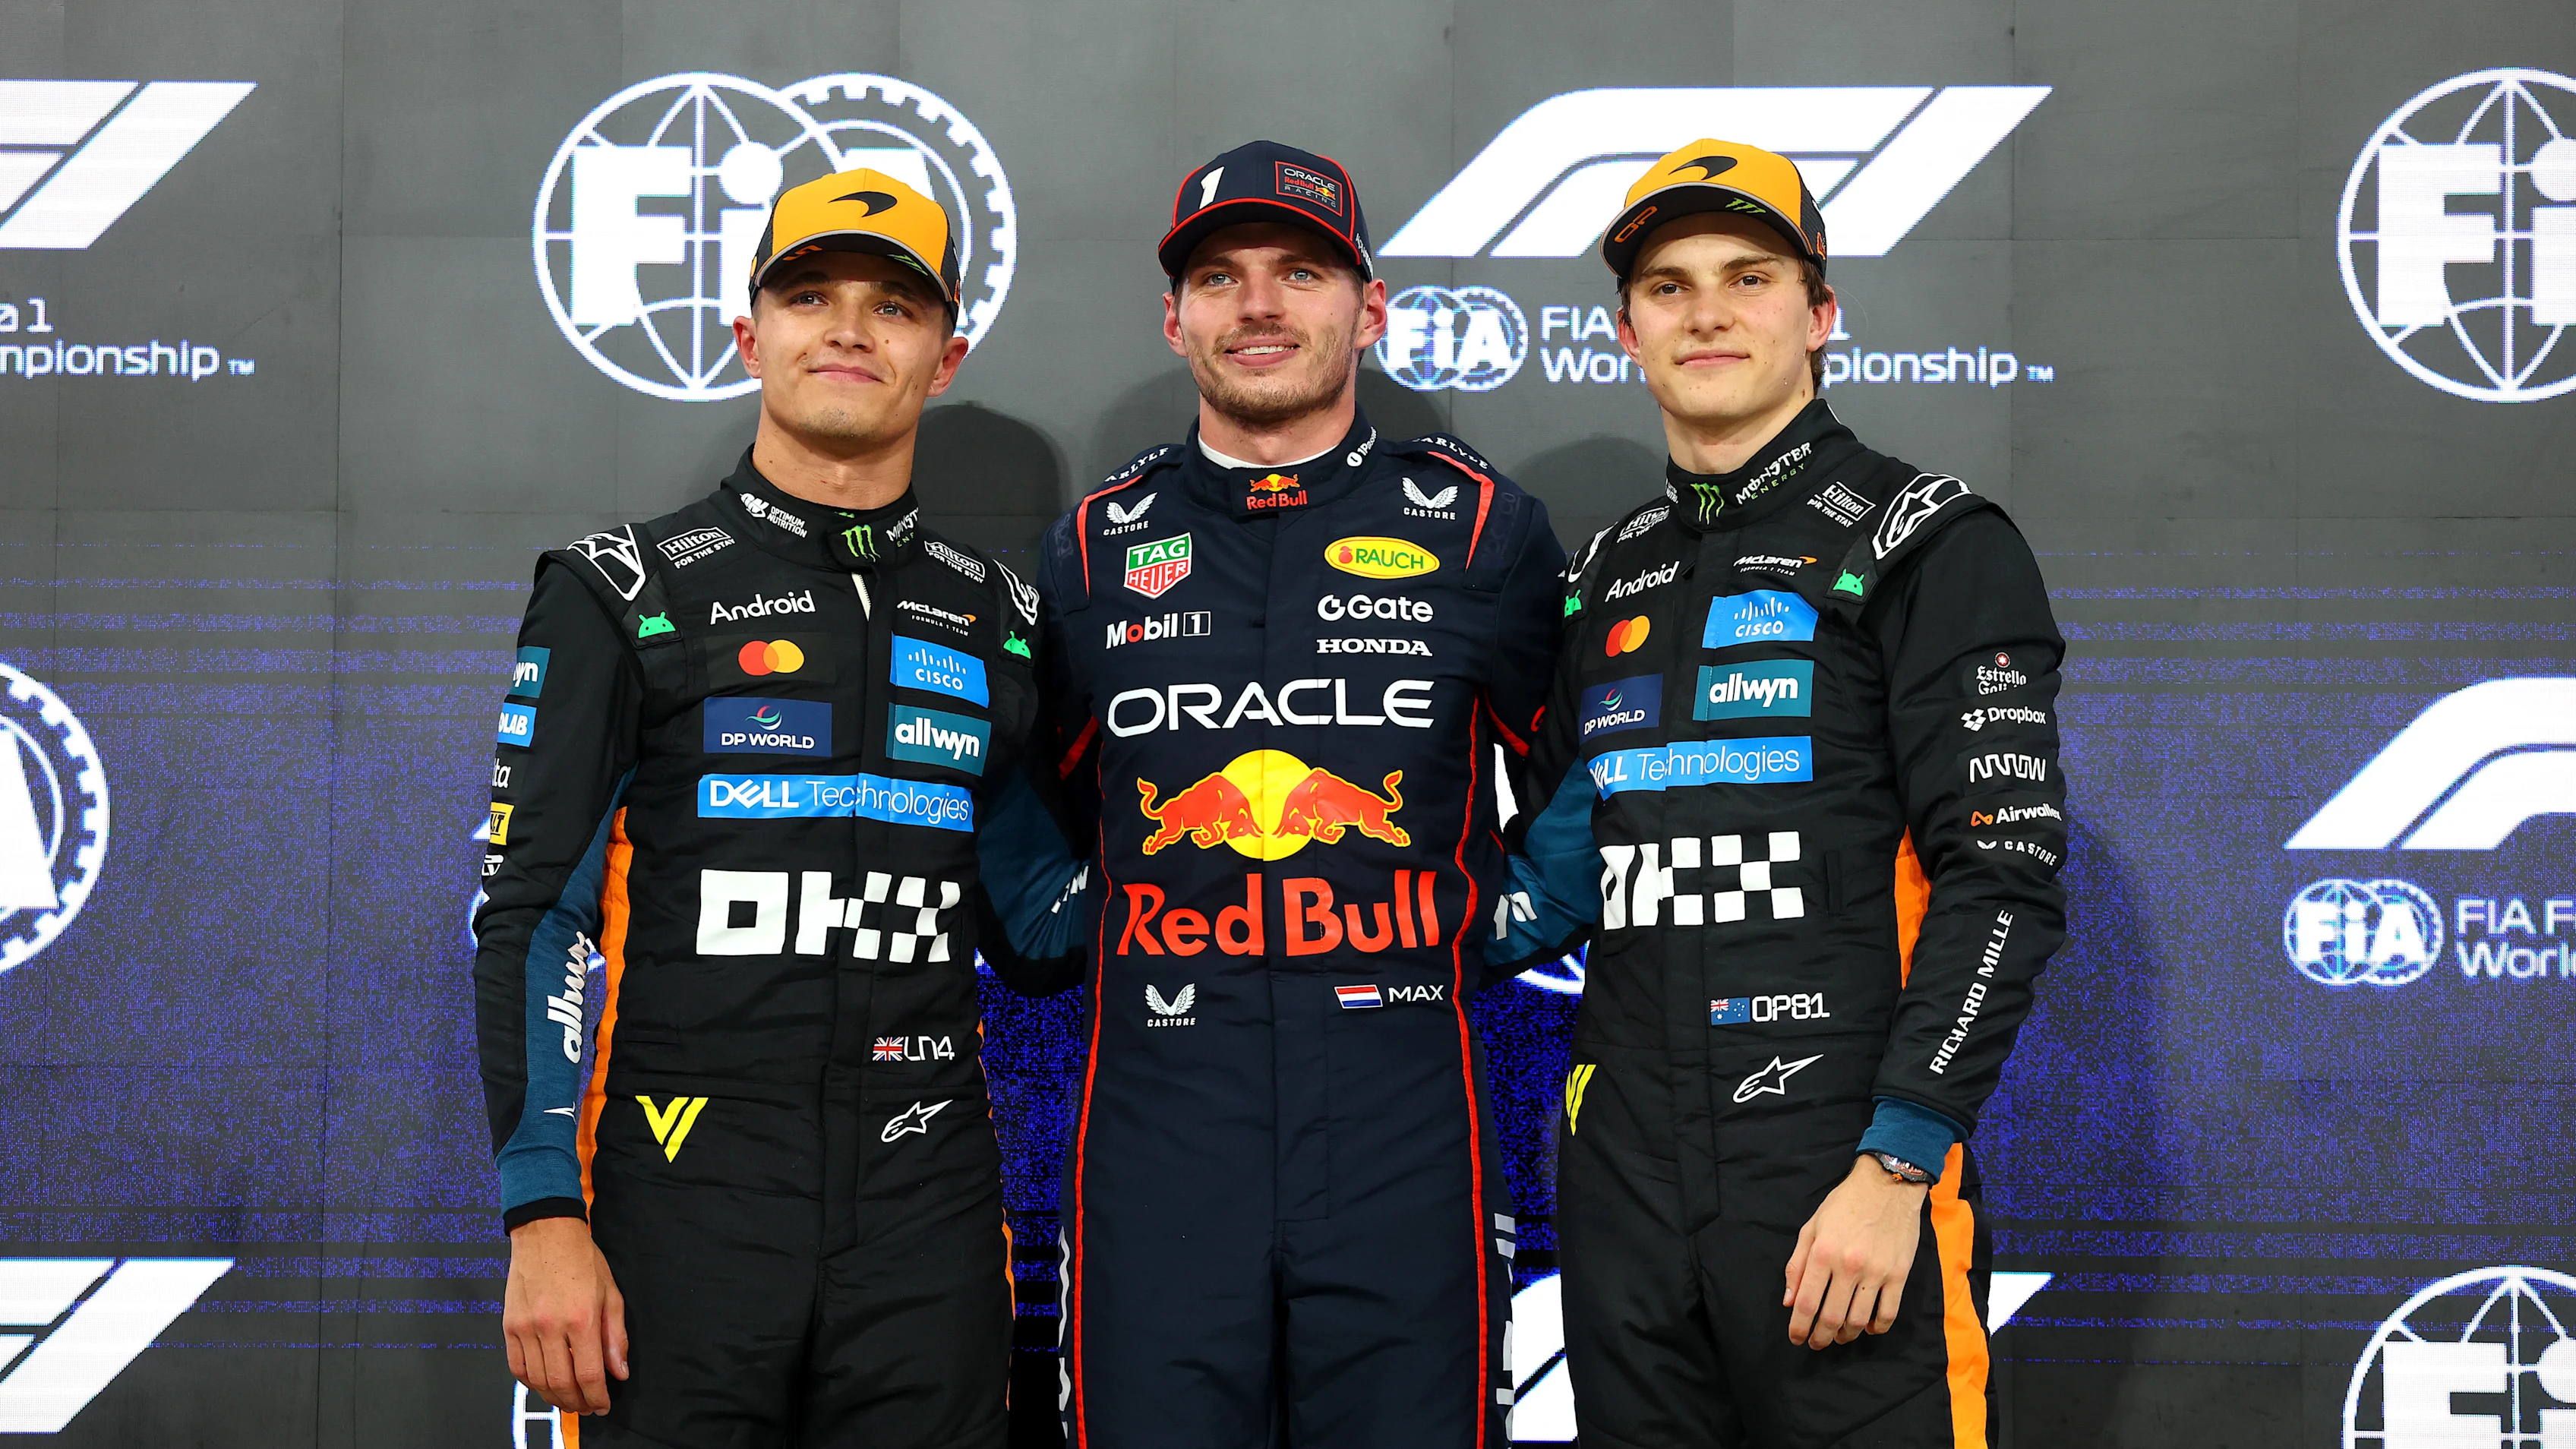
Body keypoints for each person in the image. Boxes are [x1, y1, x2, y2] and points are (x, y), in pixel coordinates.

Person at [475, 169, 1072, 1448]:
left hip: (931, 1211)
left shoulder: (1002, 621)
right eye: (811, 296)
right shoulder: (618, 592)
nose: (849, 329)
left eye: (893, 306)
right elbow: (536, 915)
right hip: (680, 1203)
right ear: (751, 338)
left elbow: (1042, 929)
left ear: (945, 355)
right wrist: (543, 1217)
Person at [1490, 139, 2069, 1447]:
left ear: (1819, 313)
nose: (1706, 311)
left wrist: (1897, 1165)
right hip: (1625, 1173)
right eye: (1668, 284)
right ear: (1627, 329)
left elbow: (2002, 883)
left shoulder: (1930, 540)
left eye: (1749, 277)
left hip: (1836, 1164)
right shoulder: (1603, 579)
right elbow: (1564, 863)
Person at [1028, 141, 1566, 1449]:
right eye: (1220, 278)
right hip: (1161, 1117)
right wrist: (1061, 925)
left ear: (1368, 307)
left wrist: (1497, 921)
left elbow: (1591, 780)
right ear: (1176, 319)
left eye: (1301, 273)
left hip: (1400, 1115)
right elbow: (1019, 800)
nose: (1259, 306)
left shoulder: (1486, 530)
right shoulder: (1095, 545)